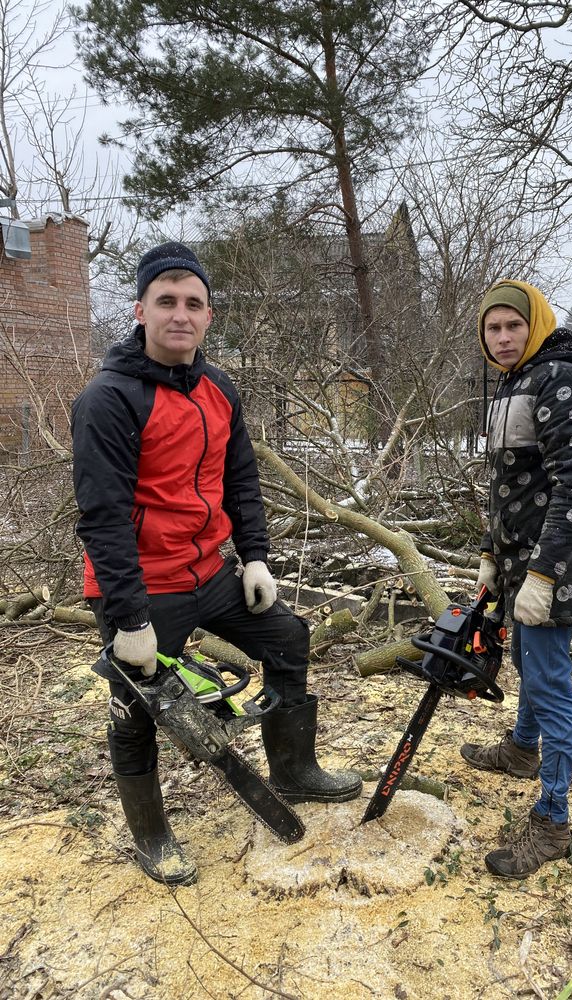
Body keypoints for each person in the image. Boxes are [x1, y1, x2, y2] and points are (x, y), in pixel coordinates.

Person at [71, 242, 361, 886]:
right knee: (135, 703)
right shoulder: (109, 399)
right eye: (167, 301)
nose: (181, 314)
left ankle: (292, 769)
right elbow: (102, 519)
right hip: (143, 587)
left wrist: (254, 557)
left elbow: (241, 479)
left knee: (289, 637)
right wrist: (128, 617)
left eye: (194, 303)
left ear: (209, 315)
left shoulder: (219, 388)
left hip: (211, 572)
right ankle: (150, 832)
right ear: (141, 309)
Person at [461, 279, 572, 879]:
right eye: (492, 328)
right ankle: (522, 750)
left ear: (535, 324)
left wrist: (541, 574)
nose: (503, 338)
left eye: (513, 326)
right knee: (530, 663)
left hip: (557, 562)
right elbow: (509, 484)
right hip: (519, 559)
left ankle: (553, 820)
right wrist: (491, 551)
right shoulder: (515, 382)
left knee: (551, 681)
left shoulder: (561, 378)